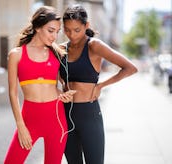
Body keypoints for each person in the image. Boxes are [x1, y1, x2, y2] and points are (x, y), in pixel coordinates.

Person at [59, 4, 138, 164]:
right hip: (65, 115)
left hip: (89, 115)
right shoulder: (61, 49)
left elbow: (130, 68)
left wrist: (101, 85)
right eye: (67, 30)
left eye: (77, 30)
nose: (72, 35)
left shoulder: (94, 46)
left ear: (86, 26)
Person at [4, 6, 76, 164]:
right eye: (51, 30)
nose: (55, 36)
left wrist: (64, 94)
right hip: (29, 119)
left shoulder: (57, 54)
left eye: (57, 32)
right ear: (37, 27)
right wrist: (20, 126)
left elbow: (59, 86)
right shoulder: (16, 54)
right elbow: (12, 93)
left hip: (56, 119)